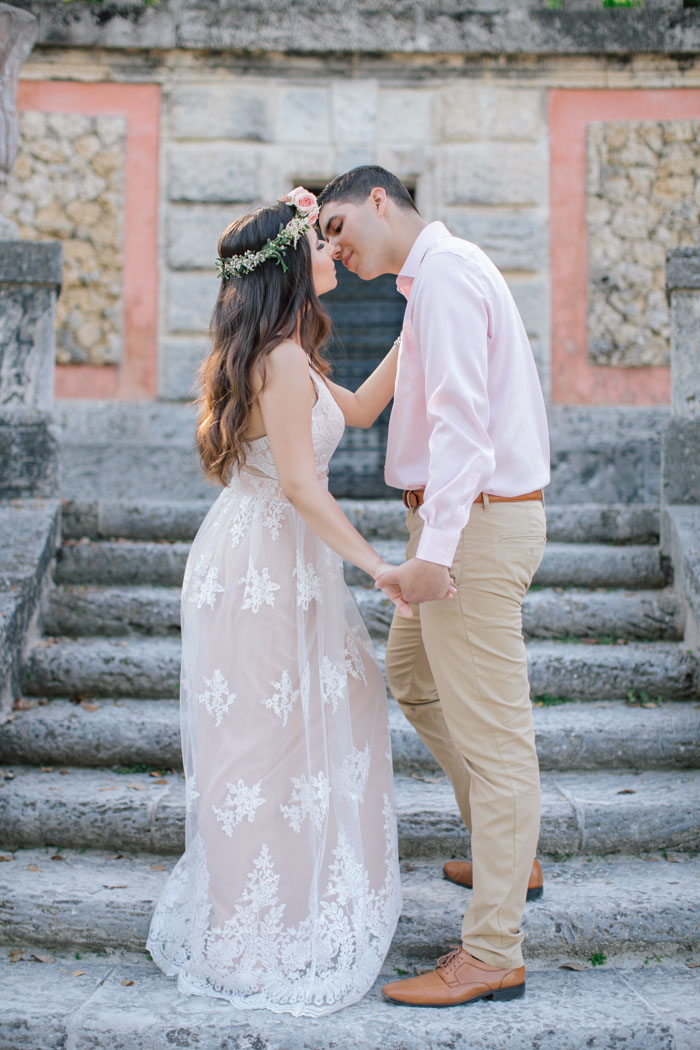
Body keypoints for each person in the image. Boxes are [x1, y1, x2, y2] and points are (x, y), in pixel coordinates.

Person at [146, 187, 446, 1016]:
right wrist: (379, 565)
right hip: (261, 563)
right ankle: (251, 937)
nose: (334, 251)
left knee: (329, 713)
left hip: (281, 557)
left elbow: (356, 410)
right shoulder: (278, 359)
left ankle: (295, 905)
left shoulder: (292, 353)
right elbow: (306, 490)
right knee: (259, 743)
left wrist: (419, 326)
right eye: (320, 239)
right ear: (289, 262)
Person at [318, 166, 550, 1008]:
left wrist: (438, 551)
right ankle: (506, 846)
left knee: (495, 738)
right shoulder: (429, 286)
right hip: (454, 522)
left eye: (339, 227)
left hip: (474, 527)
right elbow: (357, 407)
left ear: (380, 198)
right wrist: (263, 345)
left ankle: (493, 950)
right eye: (324, 242)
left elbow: (464, 428)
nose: (336, 252)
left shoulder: (448, 277)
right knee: (414, 681)